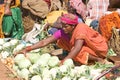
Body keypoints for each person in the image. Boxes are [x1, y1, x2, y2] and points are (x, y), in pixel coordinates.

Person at [15, 13, 108, 65]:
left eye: (66, 26)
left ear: (73, 26)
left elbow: (77, 48)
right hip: (85, 47)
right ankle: (83, 58)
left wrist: (64, 61)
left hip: (99, 48)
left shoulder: (80, 29)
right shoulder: (64, 31)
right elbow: (44, 42)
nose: (63, 28)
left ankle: (98, 59)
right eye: (62, 26)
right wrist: (27, 49)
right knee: (61, 41)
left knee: (76, 51)